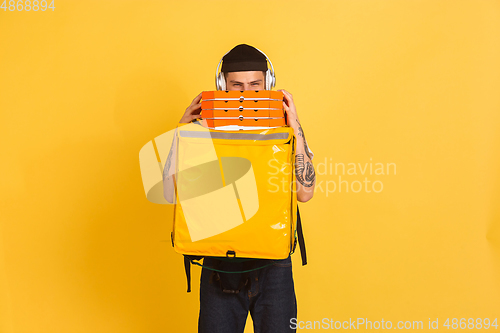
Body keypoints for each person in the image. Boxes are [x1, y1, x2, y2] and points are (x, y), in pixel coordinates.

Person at [165, 44, 316, 332]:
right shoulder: (200, 129)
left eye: (255, 86)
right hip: (220, 266)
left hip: (274, 267)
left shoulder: (286, 129)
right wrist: (180, 132)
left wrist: (295, 129)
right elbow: (171, 193)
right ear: (222, 86)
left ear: (268, 84)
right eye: (237, 86)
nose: (246, 94)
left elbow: (305, 193)